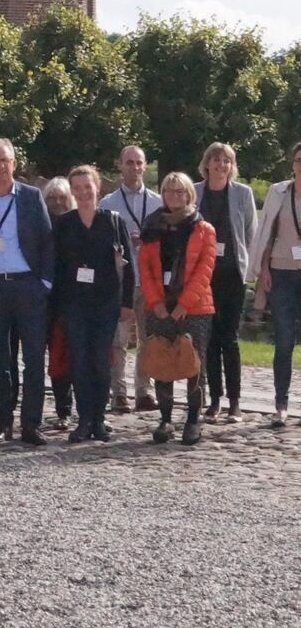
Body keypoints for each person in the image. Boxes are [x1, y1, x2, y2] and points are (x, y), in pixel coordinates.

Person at [0, 138, 54, 446]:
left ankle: (31, 424)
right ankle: (1, 419)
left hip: (27, 285)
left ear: (14, 164)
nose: (3, 166)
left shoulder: (31, 197)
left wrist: (44, 283)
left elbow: (47, 241)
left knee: (33, 358)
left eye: (7, 160)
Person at [53, 165, 136, 443]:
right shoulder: (64, 224)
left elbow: (128, 266)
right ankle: (84, 418)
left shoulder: (112, 221)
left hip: (105, 303)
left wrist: (127, 303)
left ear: (97, 188)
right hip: (75, 304)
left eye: (87, 187)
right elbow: (57, 267)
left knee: (101, 361)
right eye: (77, 188)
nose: (83, 192)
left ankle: (99, 419)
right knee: (79, 362)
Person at [138, 173, 217, 446]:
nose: (174, 196)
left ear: (189, 195)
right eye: (169, 191)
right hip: (160, 305)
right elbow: (145, 269)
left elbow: (205, 270)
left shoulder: (204, 229)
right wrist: (156, 302)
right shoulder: (152, 227)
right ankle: (166, 418)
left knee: (193, 362)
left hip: (195, 307)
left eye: (179, 191)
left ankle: (193, 419)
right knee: (162, 360)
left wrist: (185, 303)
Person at [195, 142, 258, 424]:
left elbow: (251, 234)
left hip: (232, 274)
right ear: (207, 163)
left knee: (229, 338)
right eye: (216, 160)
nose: (221, 165)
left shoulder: (243, 194)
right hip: (203, 276)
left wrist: (251, 271)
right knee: (208, 339)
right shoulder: (195, 192)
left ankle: (235, 402)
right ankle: (214, 400)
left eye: (227, 161)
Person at [99, 144, 161, 414]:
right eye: (129, 162)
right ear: (120, 166)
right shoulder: (108, 204)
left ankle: (145, 391)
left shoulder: (158, 203)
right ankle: (119, 393)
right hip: (121, 280)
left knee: (149, 338)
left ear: (145, 166)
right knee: (118, 340)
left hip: (149, 280)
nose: (135, 167)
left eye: (139, 162)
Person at [247, 140, 301, 426]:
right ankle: (281, 403)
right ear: (293, 164)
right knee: (283, 341)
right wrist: (263, 268)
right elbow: (267, 232)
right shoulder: (279, 192)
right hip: (281, 273)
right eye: (299, 160)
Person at [41, 177, 77, 430]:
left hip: (76, 299)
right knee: (57, 358)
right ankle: (63, 409)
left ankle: (86, 408)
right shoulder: (42, 227)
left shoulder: (78, 223)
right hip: (47, 301)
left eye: (62, 197)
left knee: (80, 356)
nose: (56, 202)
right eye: (51, 198)